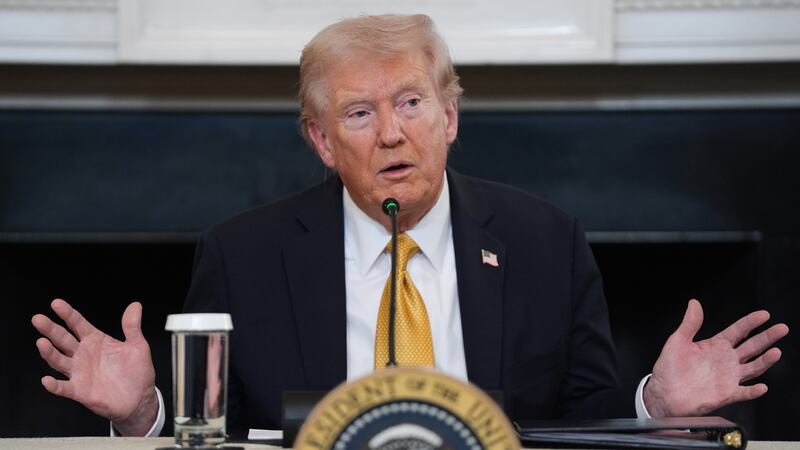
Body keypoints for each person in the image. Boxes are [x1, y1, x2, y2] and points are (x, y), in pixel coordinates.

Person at [31, 14, 788, 437]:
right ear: (323, 143)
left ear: (450, 117)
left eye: (413, 103)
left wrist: (655, 408)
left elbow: (582, 429)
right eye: (360, 113)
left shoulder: (542, 242)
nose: (392, 134)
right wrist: (143, 412)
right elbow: (214, 436)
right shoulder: (244, 255)